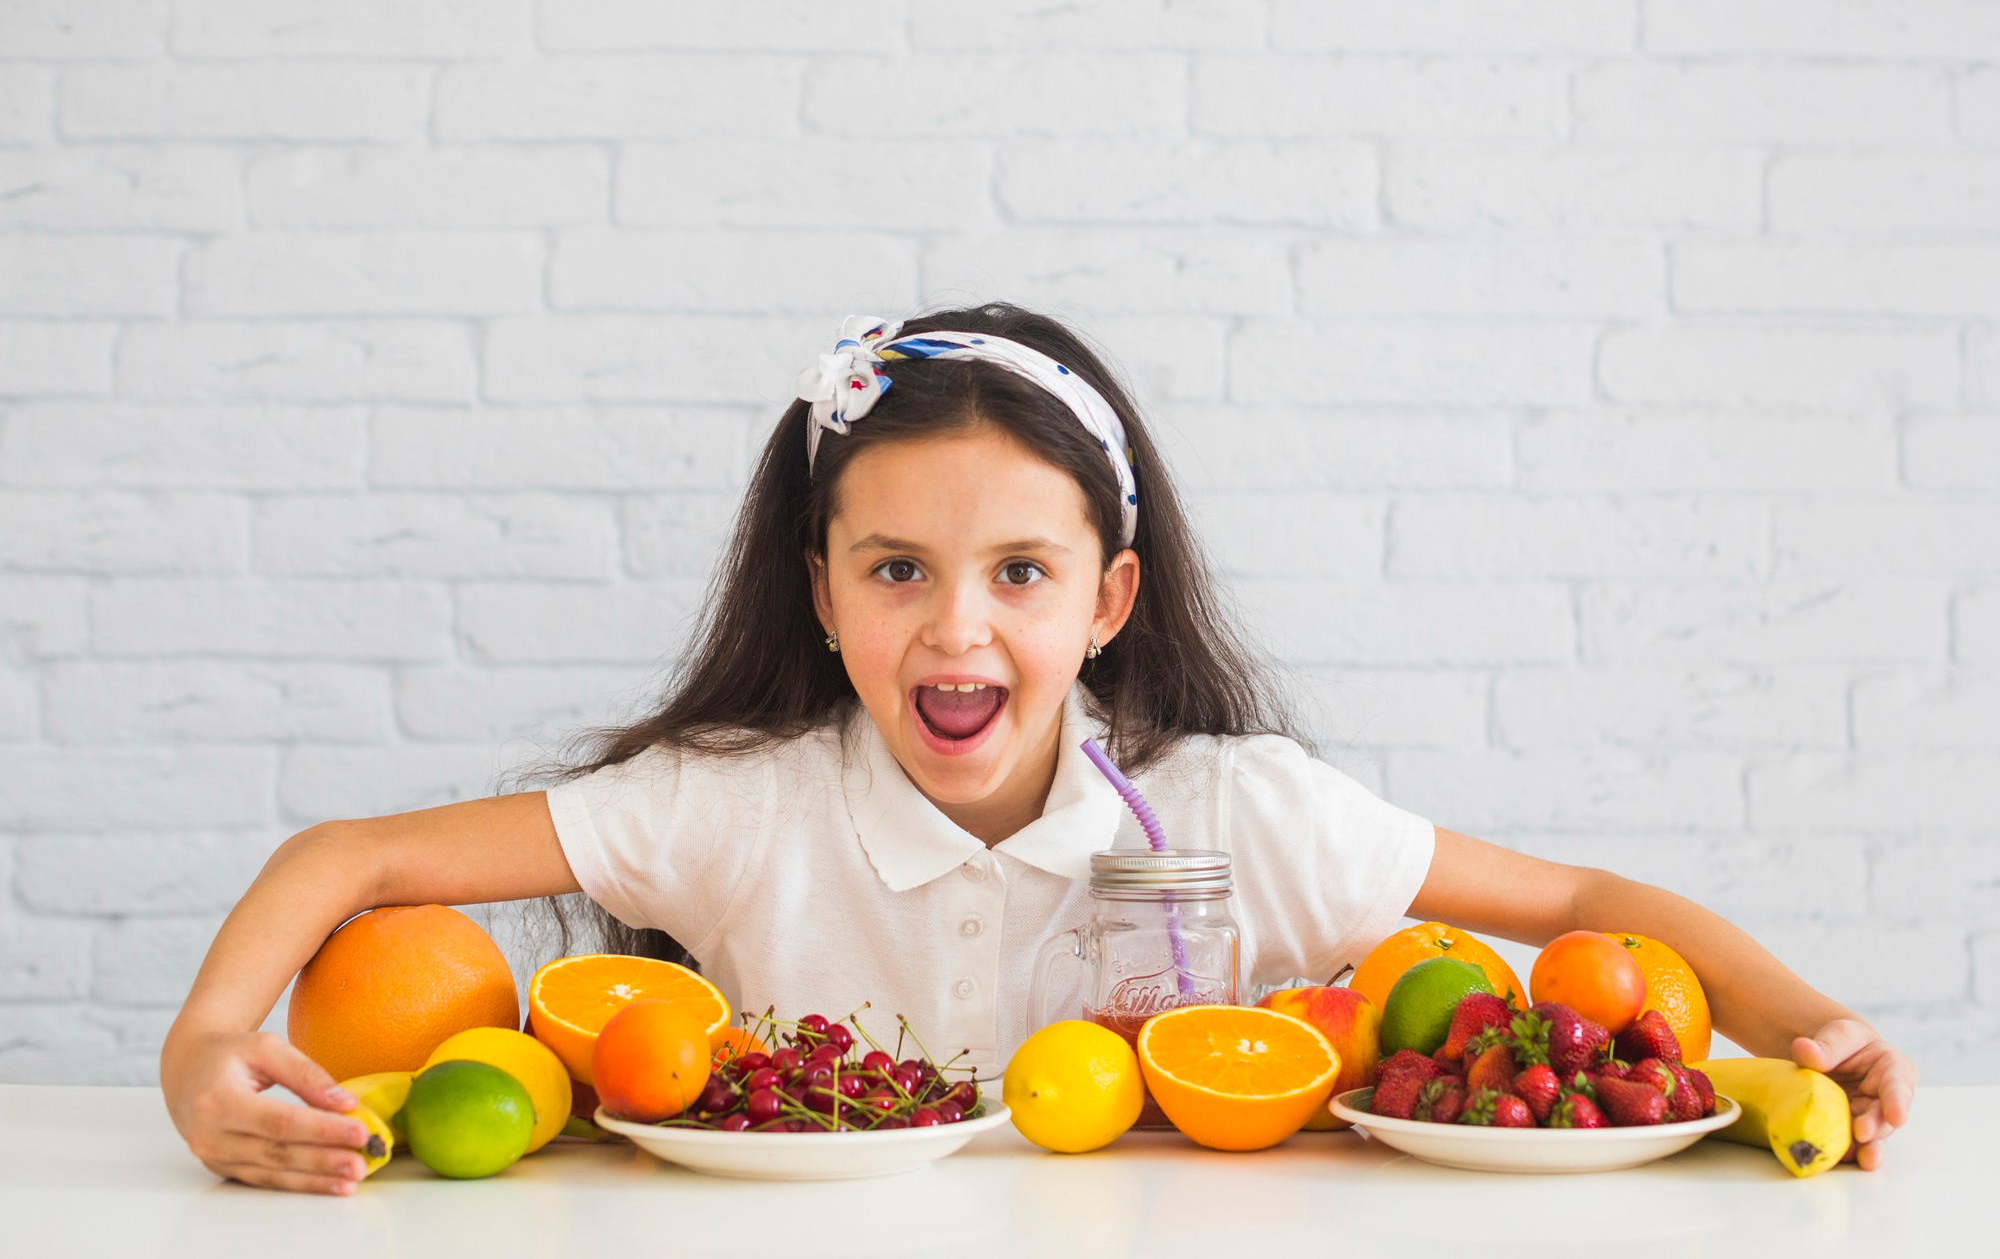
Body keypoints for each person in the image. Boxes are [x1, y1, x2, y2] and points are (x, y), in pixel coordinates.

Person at [160, 303, 1915, 1194]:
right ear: (822, 590)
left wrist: (1801, 1031)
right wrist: (206, 1054)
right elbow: (353, 860)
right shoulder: (734, 812)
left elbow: (1595, 900)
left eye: (1019, 572)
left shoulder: (1243, 812)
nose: (956, 629)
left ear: (1109, 598)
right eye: (896, 570)